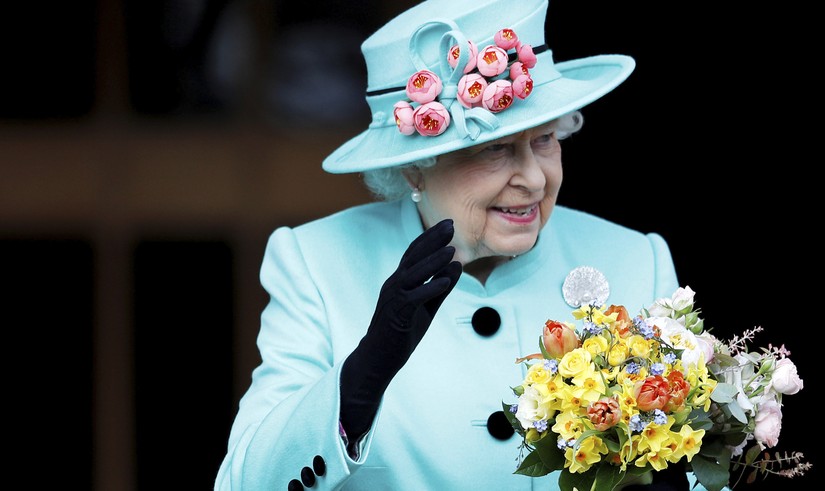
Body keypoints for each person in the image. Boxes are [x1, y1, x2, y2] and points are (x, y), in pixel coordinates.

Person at [215, 1, 718, 490]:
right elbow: (243, 484)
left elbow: (701, 468)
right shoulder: (316, 263)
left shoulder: (636, 259)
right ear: (414, 166)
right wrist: (359, 383)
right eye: (495, 149)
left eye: (544, 140)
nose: (533, 179)